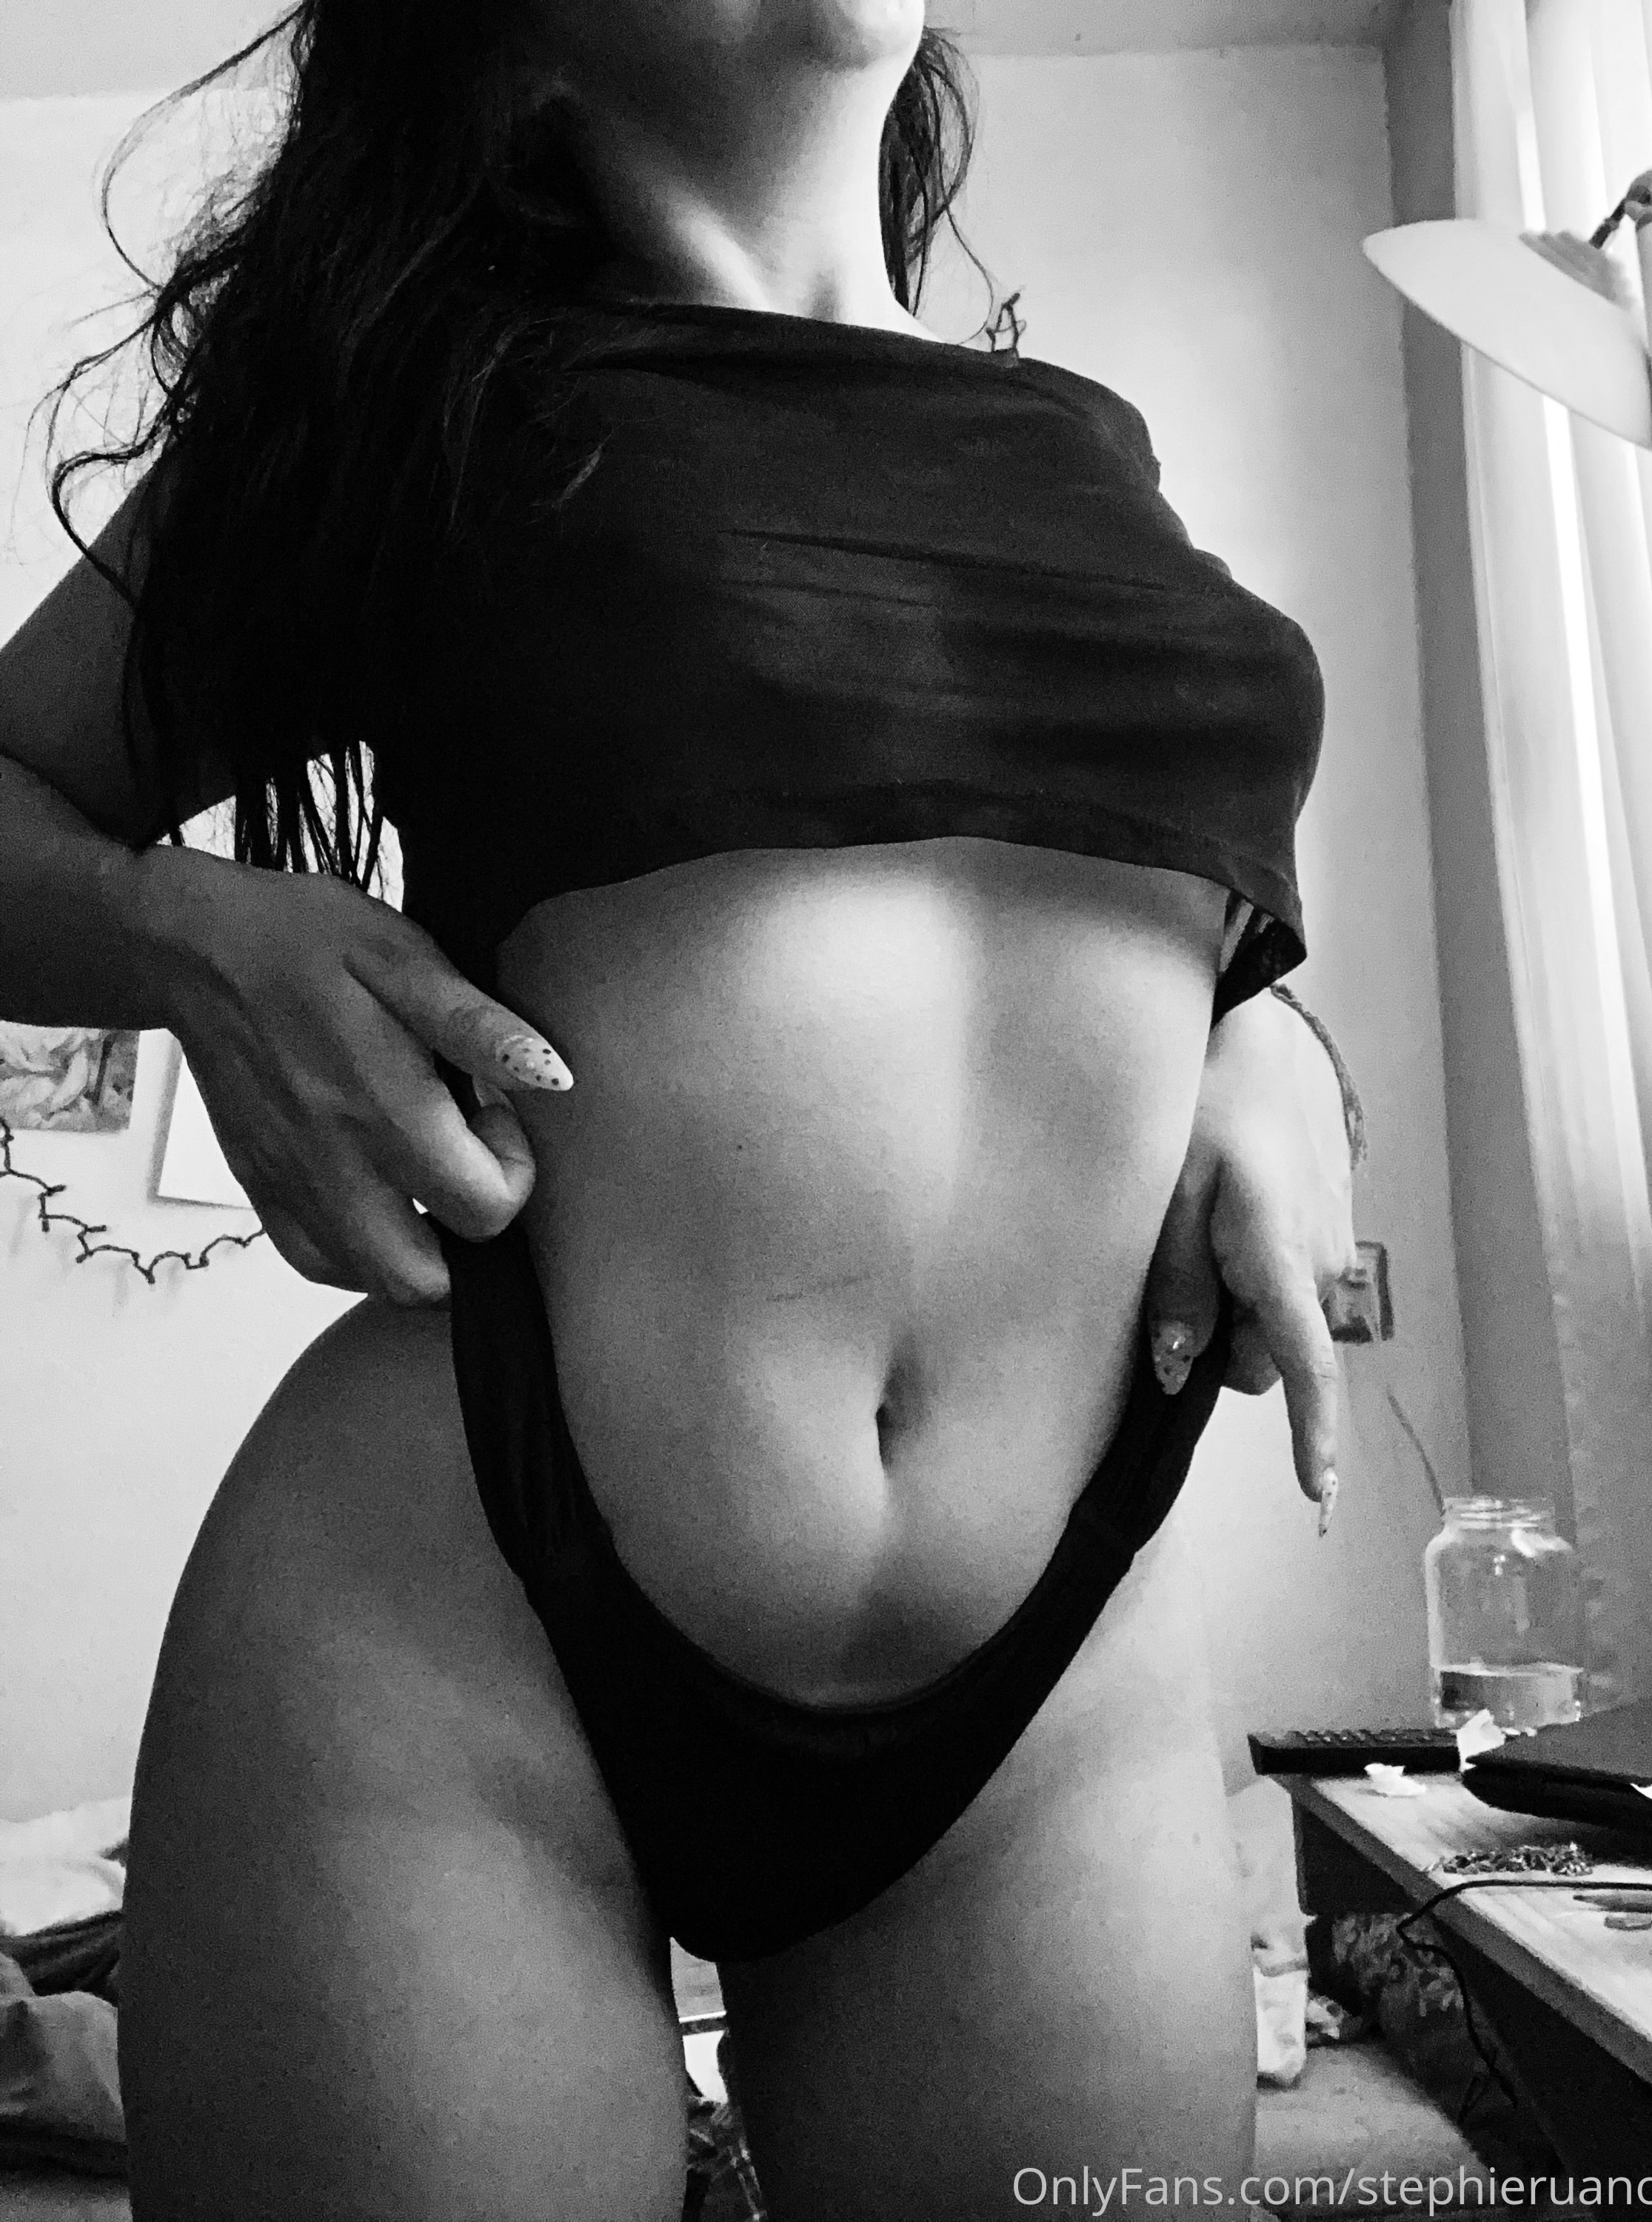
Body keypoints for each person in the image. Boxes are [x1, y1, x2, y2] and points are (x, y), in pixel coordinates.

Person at [0, 3, 1360, 2215]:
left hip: (1052, 1660)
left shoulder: (1089, 451)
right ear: (514, 48)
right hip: (463, 1611)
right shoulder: (421, 402)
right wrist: (193, 938)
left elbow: (1139, 920)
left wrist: (1271, 1052)